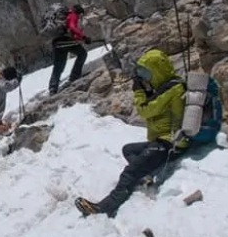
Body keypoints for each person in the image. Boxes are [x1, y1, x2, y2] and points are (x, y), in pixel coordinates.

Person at [74, 48, 187, 218]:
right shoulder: (166, 88)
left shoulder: (174, 89)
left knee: (130, 172)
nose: (144, 77)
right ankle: (146, 174)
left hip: (170, 143)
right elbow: (157, 104)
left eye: (146, 72)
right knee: (129, 150)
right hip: (162, 141)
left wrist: (140, 92)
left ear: (156, 71)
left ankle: (106, 206)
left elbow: (145, 111)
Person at [42, 4, 90, 94]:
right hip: (65, 40)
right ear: (79, 12)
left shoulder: (63, 17)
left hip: (57, 42)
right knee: (82, 53)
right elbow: (72, 27)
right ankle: (74, 76)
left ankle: (53, 88)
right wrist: (84, 37)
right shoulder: (72, 15)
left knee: (58, 66)